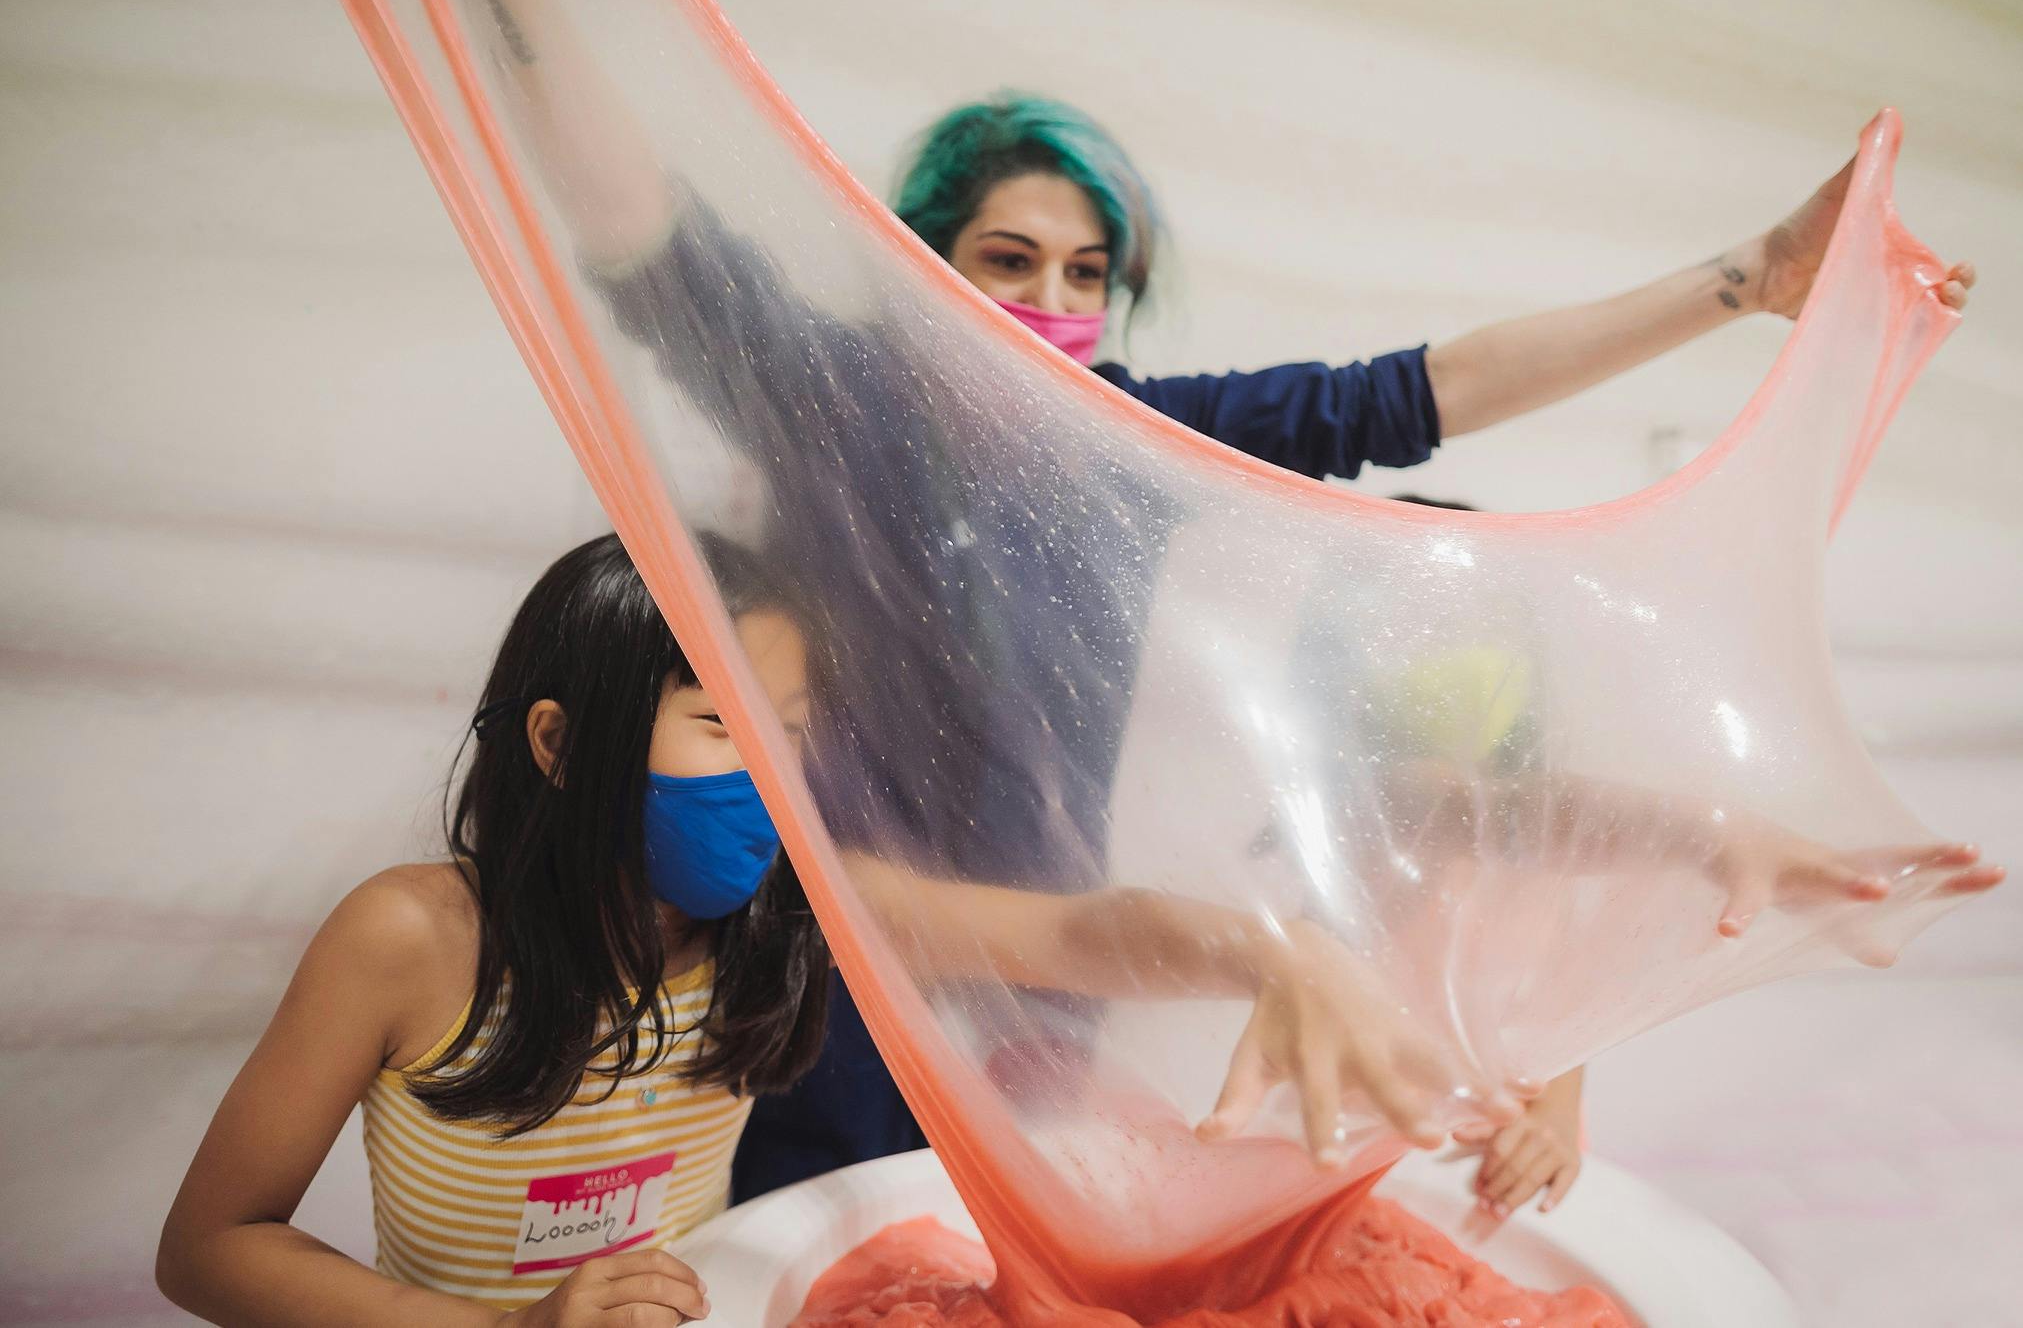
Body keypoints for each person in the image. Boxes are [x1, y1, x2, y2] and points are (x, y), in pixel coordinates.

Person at [472, 0, 1986, 1214]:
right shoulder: (836, 401)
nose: (1054, 306)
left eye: (1088, 275)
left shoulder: (1129, 437)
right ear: (922, 266)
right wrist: (520, 4)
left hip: (1055, 972)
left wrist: (1749, 279)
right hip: (831, 950)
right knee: (805, 1240)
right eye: (1010, 261)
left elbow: (1426, 390)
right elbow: (638, 222)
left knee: (977, 1254)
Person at [159, 533, 1519, 1323]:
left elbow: (1079, 937)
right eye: (722, 725)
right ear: (562, 744)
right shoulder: (410, 939)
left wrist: (1272, 951)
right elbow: (212, 1245)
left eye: (792, 730)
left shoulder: (790, 906)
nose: (771, 772)